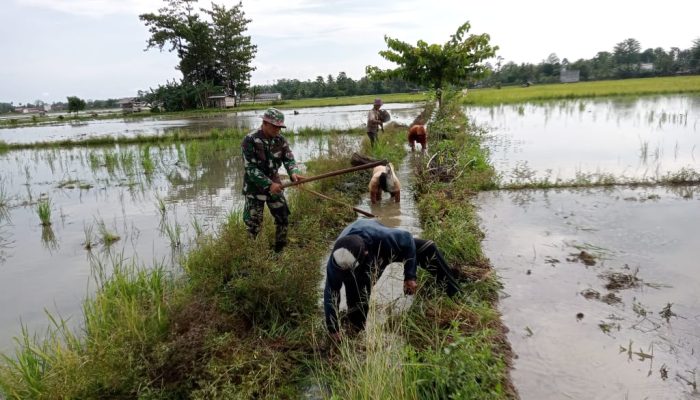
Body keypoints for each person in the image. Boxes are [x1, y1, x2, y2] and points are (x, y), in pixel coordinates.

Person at [323, 219, 461, 339]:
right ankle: (356, 331)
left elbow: (407, 239)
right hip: (362, 259)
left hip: (377, 246)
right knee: (358, 292)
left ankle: (456, 294)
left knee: (428, 248)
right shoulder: (335, 263)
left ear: (365, 254)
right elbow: (330, 293)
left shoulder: (384, 238)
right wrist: (332, 327)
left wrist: (410, 276)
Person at [241, 108, 304, 252]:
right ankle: (253, 257)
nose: (278, 130)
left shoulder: (280, 140)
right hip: (254, 188)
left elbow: (289, 159)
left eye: (280, 127)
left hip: (275, 186)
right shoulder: (249, 140)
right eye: (275, 126)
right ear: (264, 123)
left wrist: (294, 173)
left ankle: (279, 251)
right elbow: (250, 168)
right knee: (253, 225)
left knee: (283, 217)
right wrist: (269, 184)